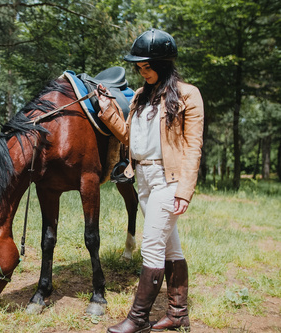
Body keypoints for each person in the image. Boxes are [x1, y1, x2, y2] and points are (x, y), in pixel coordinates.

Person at [96, 29, 204, 333]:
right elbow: (132, 137)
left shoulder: (188, 94)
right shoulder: (142, 96)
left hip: (168, 180)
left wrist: (184, 190)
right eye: (139, 68)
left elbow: (194, 147)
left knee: (152, 246)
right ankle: (178, 314)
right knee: (171, 248)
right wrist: (109, 114)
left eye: (147, 67)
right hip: (141, 177)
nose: (142, 72)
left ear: (164, 64)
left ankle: (138, 318)